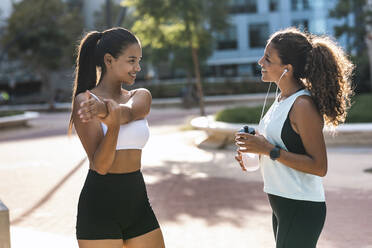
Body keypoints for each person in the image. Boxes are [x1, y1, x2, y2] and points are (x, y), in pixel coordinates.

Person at [235, 27, 354, 248]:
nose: (260, 61)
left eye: (268, 58)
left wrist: (268, 150)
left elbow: (319, 167)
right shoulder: (281, 99)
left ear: (286, 69)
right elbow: (280, 149)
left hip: (301, 205)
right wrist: (254, 154)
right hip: (281, 202)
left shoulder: (303, 105)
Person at [68, 27, 165, 248]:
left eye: (139, 61)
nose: (138, 68)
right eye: (132, 60)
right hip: (99, 206)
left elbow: (129, 112)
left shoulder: (140, 96)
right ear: (109, 60)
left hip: (138, 203)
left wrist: (105, 110)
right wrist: (111, 128)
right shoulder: (85, 101)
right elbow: (100, 165)